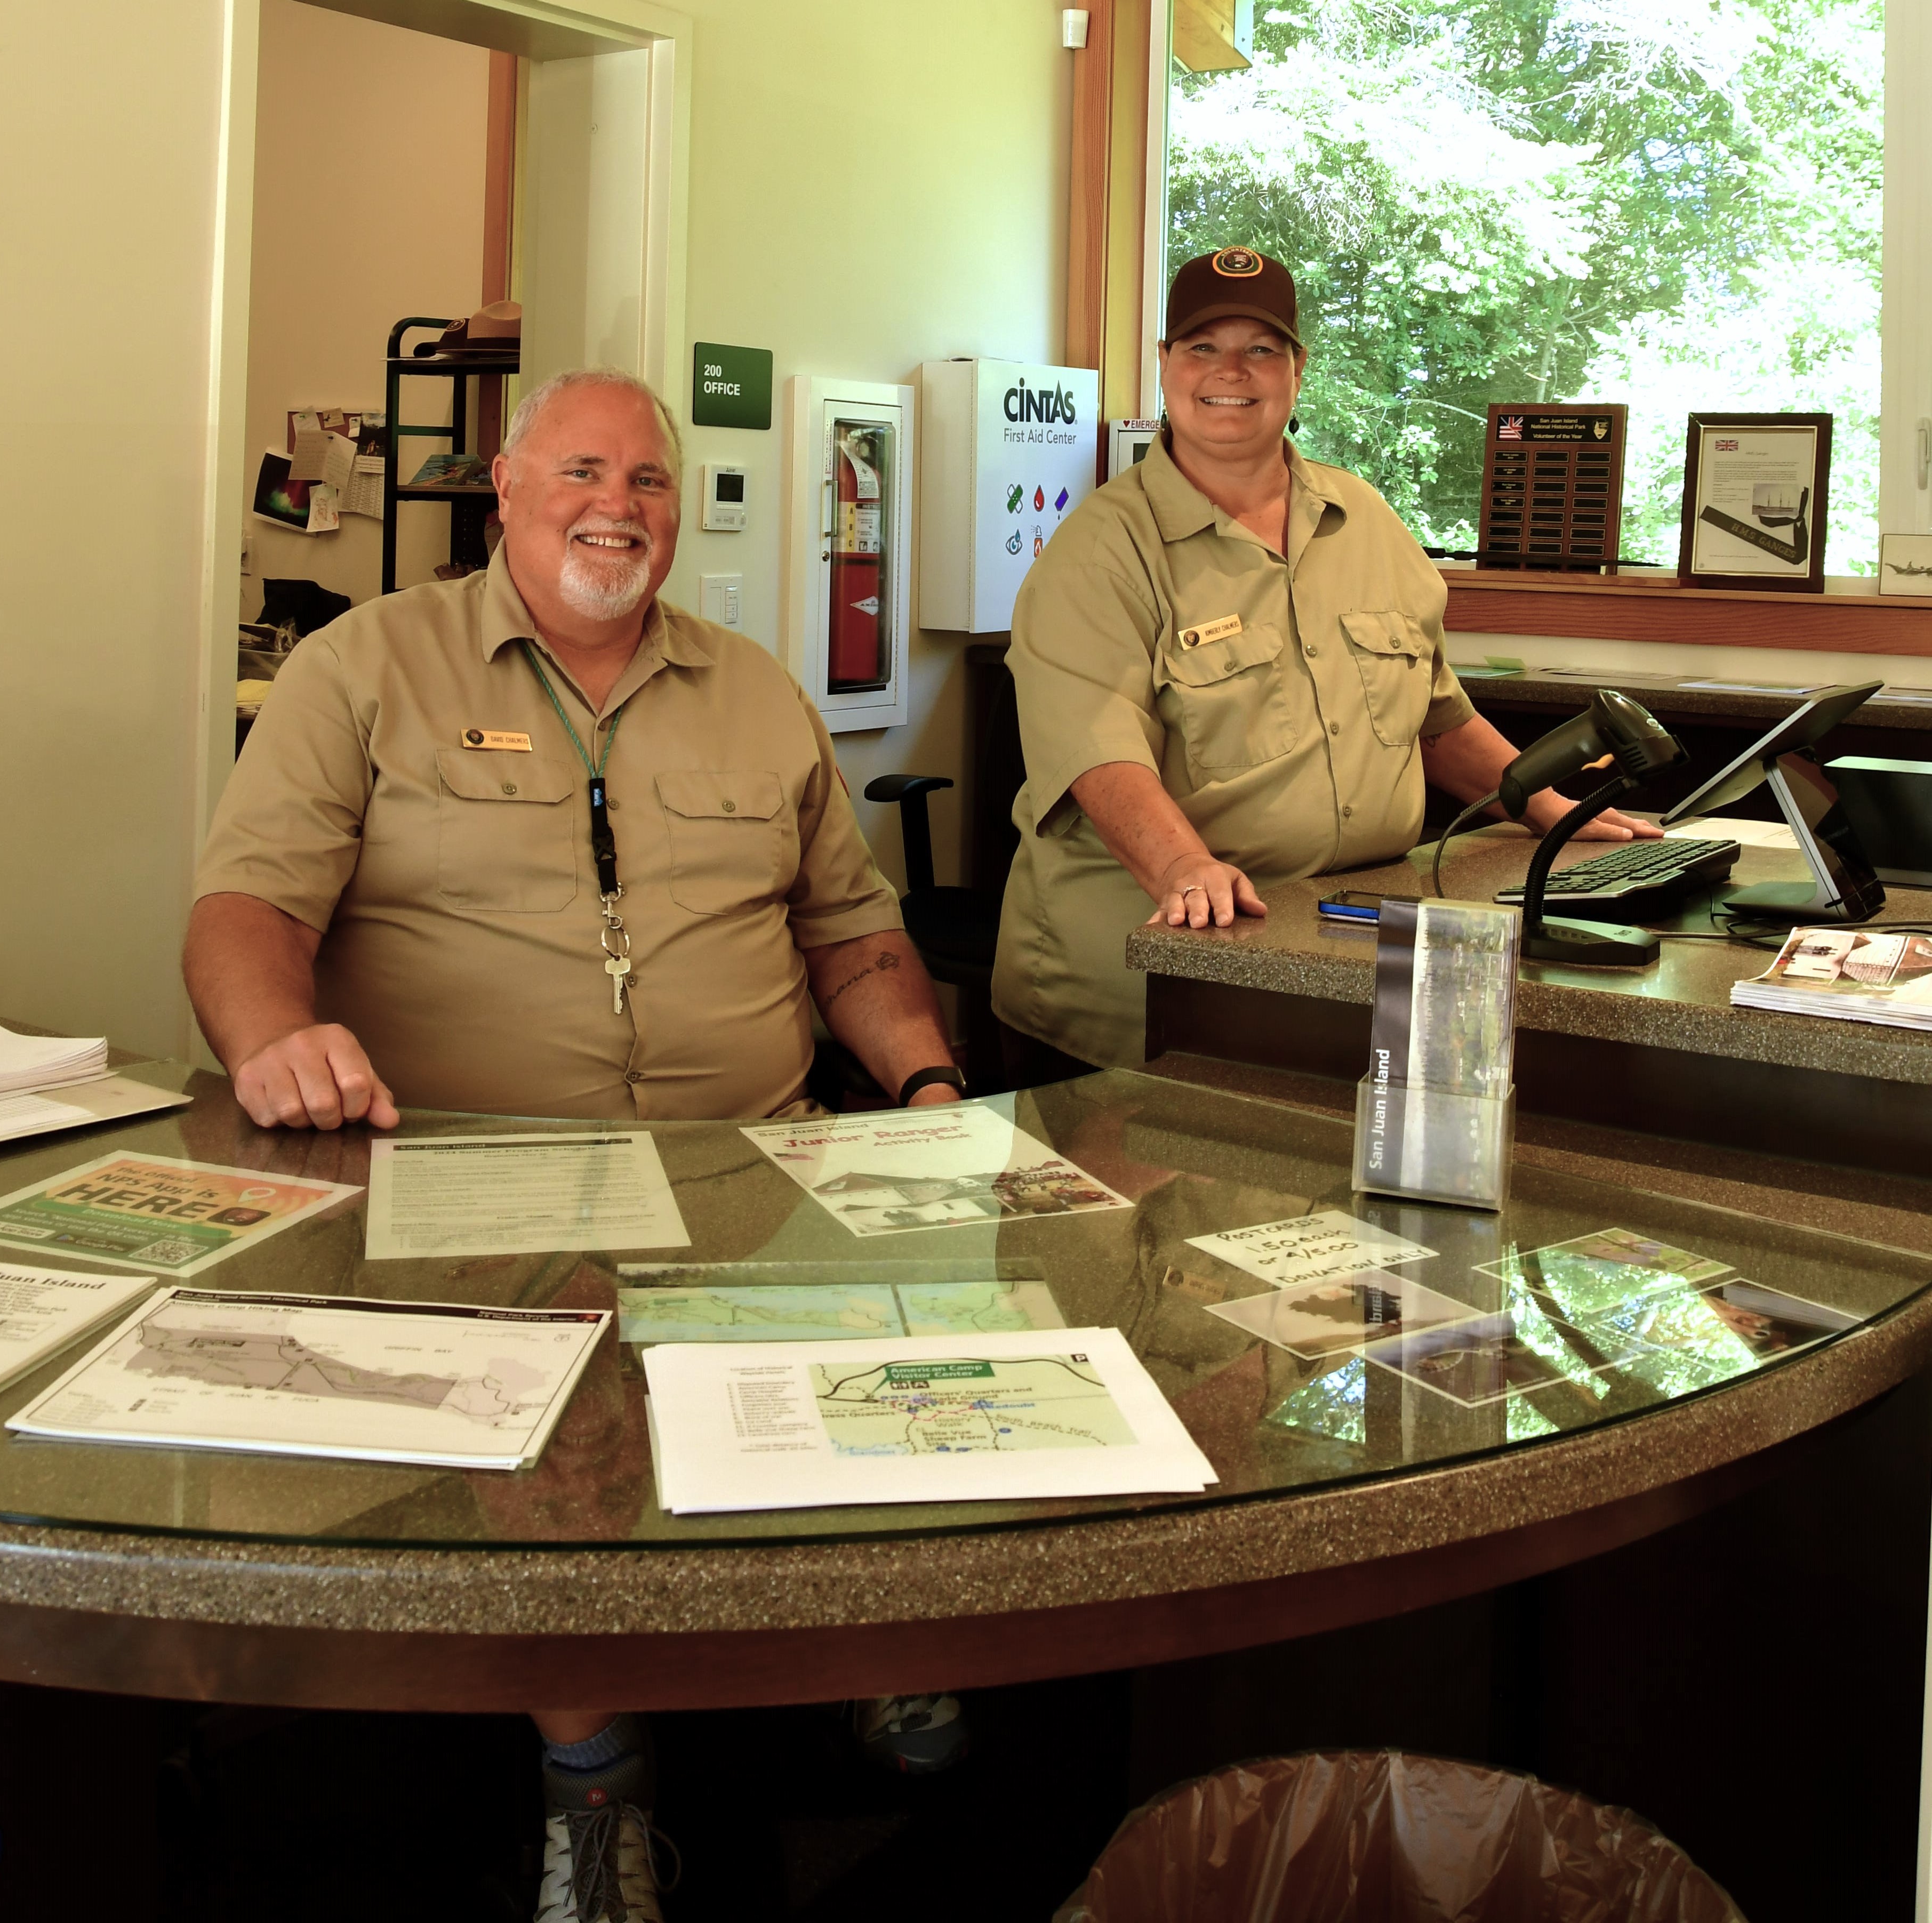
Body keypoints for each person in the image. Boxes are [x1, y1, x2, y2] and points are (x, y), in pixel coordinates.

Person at [185, 367, 972, 1923]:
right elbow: (246, 908)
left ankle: (879, 1637)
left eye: (651, 481)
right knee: (558, 1446)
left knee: (936, 1340)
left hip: (751, 1159)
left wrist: (935, 1099)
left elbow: (853, 932)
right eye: (583, 471)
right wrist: (274, 1040)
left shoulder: (755, 690)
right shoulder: (365, 668)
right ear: (505, 487)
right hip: (477, 1173)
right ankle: (594, 1780)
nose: (619, 505)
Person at [993, 248, 1662, 1080]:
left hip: (1340, 938)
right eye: (1201, 347)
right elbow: (1099, 759)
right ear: (1164, 365)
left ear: (1297, 370)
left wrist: (1544, 806)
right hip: (1154, 974)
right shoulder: (1100, 551)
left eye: (1260, 350)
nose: (1230, 372)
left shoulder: (1366, 518)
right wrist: (1186, 867)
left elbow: (1435, 715)